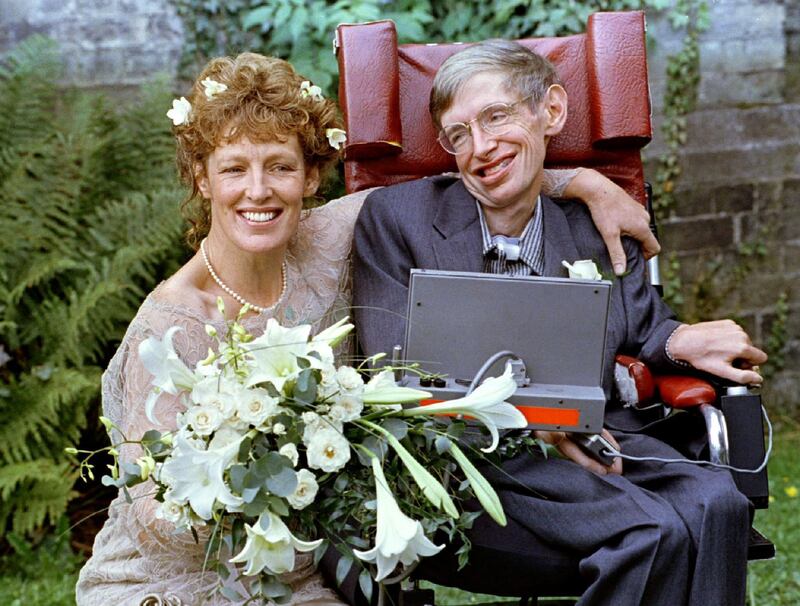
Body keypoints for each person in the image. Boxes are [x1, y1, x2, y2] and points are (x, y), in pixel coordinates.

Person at [75, 51, 656, 606]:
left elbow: (477, 180)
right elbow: (156, 520)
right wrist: (283, 465)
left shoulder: (332, 236)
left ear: (310, 177)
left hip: (303, 571)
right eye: (234, 170)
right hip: (187, 578)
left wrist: (586, 184)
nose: (258, 191)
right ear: (203, 181)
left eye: (280, 166)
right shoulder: (173, 325)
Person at [352, 40, 768, 605]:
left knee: (720, 502)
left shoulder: (593, 223)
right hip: (476, 456)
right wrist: (534, 421)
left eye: (496, 117)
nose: (481, 147)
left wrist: (680, 341)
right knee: (654, 533)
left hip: (602, 437)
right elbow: (392, 367)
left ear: (551, 111)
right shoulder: (397, 220)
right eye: (458, 135)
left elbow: (641, 327)